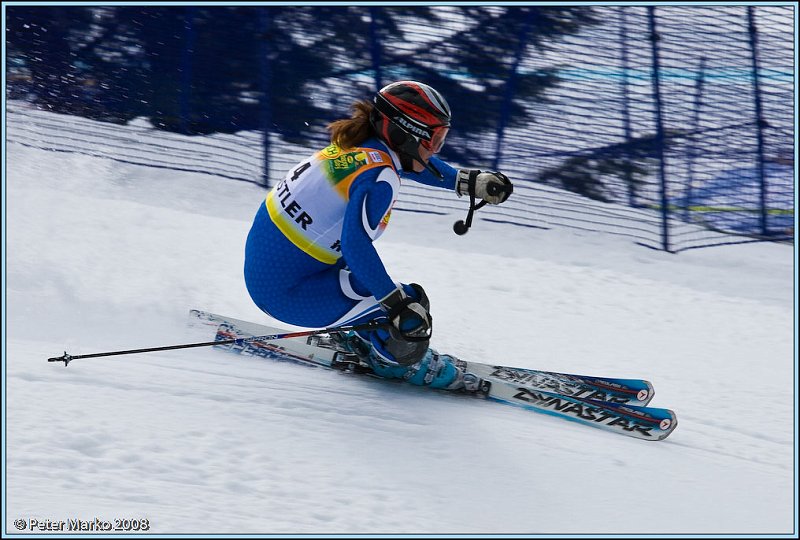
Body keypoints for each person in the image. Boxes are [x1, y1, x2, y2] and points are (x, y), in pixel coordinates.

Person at [244, 80, 513, 391]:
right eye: (435, 139)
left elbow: (415, 162)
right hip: (287, 294)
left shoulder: (361, 146)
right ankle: (398, 364)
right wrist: (396, 306)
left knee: (395, 296)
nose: (437, 149)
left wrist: (464, 181)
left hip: (275, 272)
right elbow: (355, 246)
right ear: (405, 134)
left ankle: (361, 332)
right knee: (411, 315)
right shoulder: (378, 179)